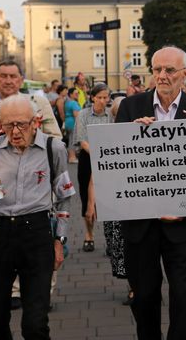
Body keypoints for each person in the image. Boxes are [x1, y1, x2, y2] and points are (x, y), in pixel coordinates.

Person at [114, 46, 186, 340]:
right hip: (139, 223)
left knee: (183, 295)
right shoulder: (130, 108)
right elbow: (116, 167)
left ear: (185, 74)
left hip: (182, 222)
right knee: (144, 295)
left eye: (169, 70)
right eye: (157, 69)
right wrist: (130, 138)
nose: (162, 76)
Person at [0, 95, 75, 340]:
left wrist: (59, 240)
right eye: (8, 126)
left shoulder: (53, 148)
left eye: (21, 124)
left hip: (36, 232)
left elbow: (64, 197)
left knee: (35, 325)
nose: (15, 132)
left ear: (35, 121)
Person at [73, 83, 111, 253]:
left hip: (108, 159)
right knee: (86, 199)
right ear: (93, 98)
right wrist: (97, 153)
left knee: (107, 200)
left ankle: (111, 239)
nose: (103, 101)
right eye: (100, 97)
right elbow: (81, 140)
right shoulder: (83, 114)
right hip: (88, 158)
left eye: (106, 97)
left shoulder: (110, 115)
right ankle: (89, 235)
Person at [102, 96, 132, 305]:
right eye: (116, 116)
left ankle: (136, 288)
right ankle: (133, 285)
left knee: (136, 245)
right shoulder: (107, 137)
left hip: (133, 203)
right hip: (114, 201)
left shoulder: (141, 132)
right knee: (119, 245)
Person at [63, 87, 81, 164]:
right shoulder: (74, 103)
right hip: (73, 123)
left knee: (70, 140)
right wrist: (80, 125)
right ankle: (72, 157)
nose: (77, 95)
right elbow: (76, 115)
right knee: (72, 141)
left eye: (78, 94)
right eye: (75, 94)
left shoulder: (67, 102)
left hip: (68, 122)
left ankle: (71, 156)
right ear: (70, 94)